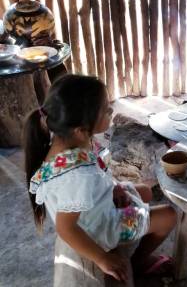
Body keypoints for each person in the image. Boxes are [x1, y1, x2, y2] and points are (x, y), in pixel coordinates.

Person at [24, 74, 177, 283]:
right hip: (99, 228)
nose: (111, 111)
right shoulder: (78, 177)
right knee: (169, 215)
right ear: (80, 129)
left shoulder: (61, 141)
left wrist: (113, 188)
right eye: (105, 110)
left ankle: (131, 255)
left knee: (145, 191)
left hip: (96, 205)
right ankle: (134, 262)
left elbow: (93, 175)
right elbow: (66, 228)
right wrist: (102, 258)